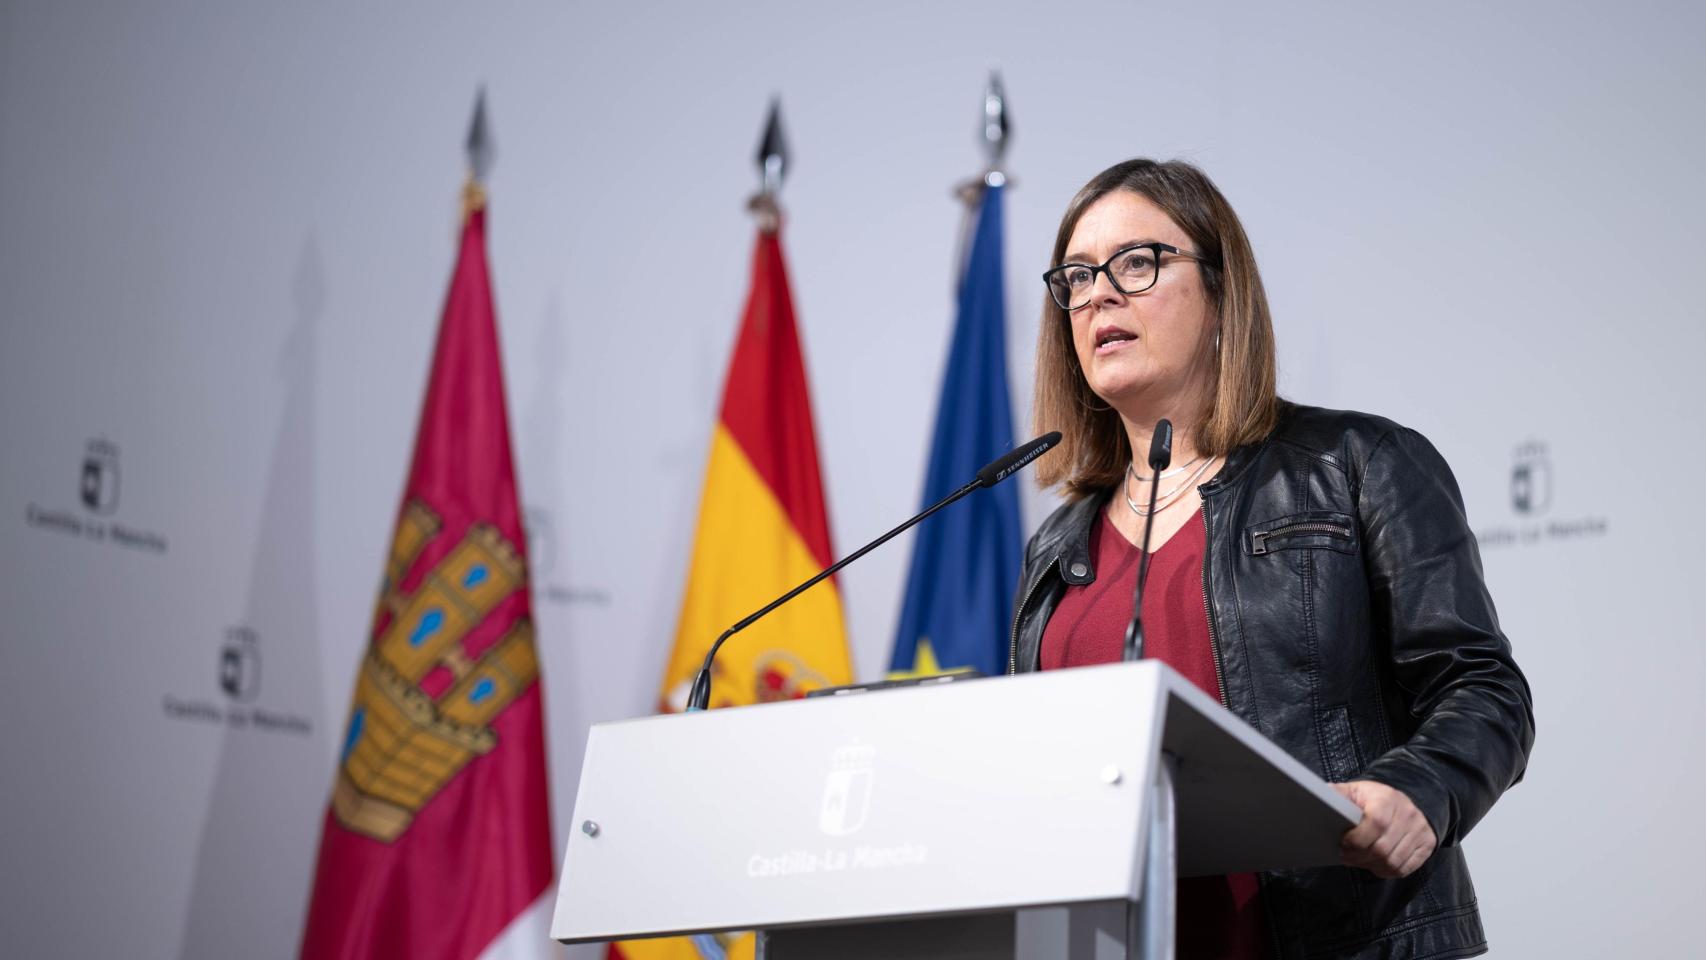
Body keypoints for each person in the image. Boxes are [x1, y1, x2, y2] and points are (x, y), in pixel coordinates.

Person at [1012, 158, 1534, 960]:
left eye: (1138, 263)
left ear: (1222, 293)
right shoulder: (1056, 549)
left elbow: (1483, 686)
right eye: (1077, 277)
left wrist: (1418, 791)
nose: (1099, 295)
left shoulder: (1358, 465)